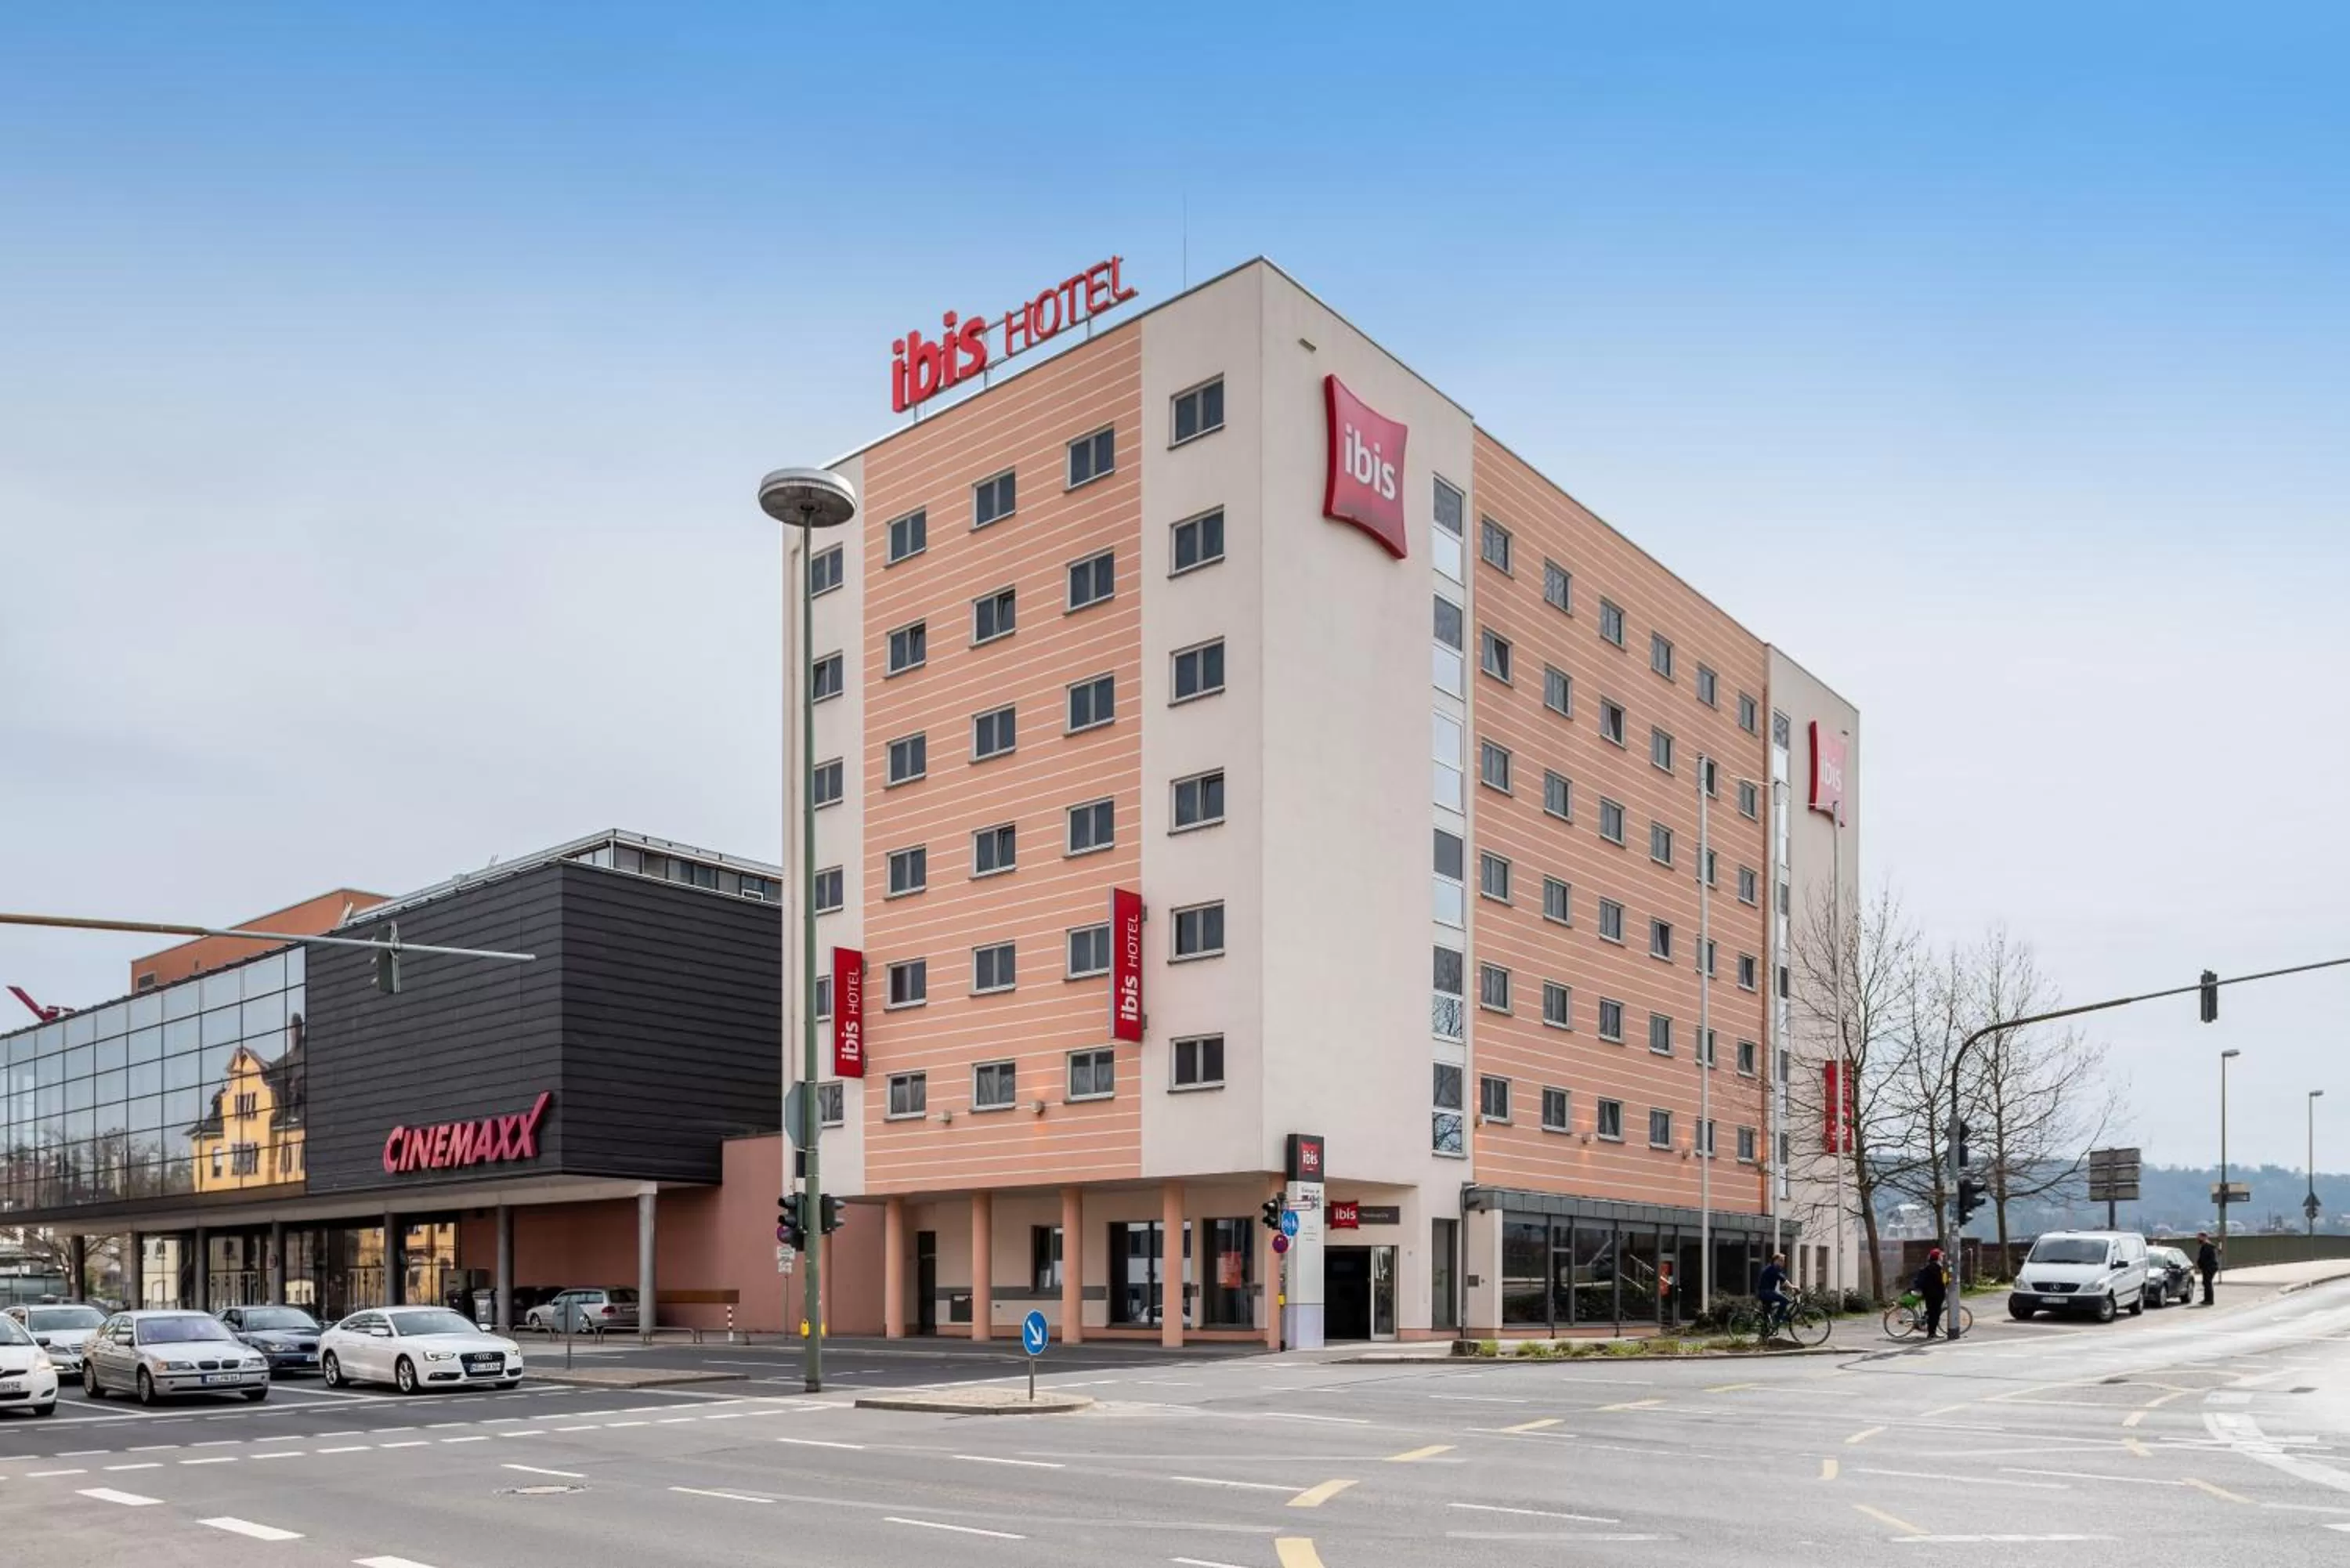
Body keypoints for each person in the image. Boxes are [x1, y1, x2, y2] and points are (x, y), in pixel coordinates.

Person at [1913, 1248, 1950, 1339]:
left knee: (1931, 1311)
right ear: (1937, 1257)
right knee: (1935, 1314)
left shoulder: (1929, 1266)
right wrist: (1949, 1278)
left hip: (1929, 1294)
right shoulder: (1937, 1267)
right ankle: (1931, 1333)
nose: (1942, 1257)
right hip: (1936, 1294)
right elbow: (1942, 1280)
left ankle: (1923, 1324)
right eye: (1941, 1256)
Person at [1755, 1252, 1791, 1337]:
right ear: (1775, 1261)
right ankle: (1776, 1320)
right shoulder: (1773, 1268)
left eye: (1784, 1261)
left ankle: (1765, 1335)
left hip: (1765, 1292)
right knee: (1785, 1300)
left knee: (1767, 1313)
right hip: (1766, 1292)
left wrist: (1788, 1288)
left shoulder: (1774, 1268)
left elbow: (1782, 1280)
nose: (1783, 1262)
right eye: (1781, 1260)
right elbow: (1783, 1279)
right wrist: (1793, 1287)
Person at [2196, 1231, 2220, 1306]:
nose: (2198, 1239)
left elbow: (2204, 1258)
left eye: (2199, 1237)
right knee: (2206, 1283)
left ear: (2204, 1237)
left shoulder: (2207, 1246)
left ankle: (2210, 1300)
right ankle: (2207, 1299)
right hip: (2208, 1267)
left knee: (2207, 1283)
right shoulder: (2206, 1245)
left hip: (2210, 1267)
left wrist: (2199, 1265)